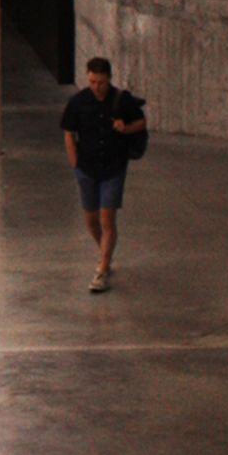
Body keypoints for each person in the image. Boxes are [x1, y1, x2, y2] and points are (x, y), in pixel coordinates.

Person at [60, 57, 147, 293]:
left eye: (100, 82)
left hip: (113, 166)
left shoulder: (122, 99)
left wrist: (125, 128)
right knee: (91, 219)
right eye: (91, 81)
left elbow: (141, 122)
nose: (96, 86)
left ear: (108, 78)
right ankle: (105, 254)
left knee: (108, 218)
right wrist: (74, 163)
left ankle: (102, 269)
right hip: (86, 168)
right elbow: (69, 132)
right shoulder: (78, 102)